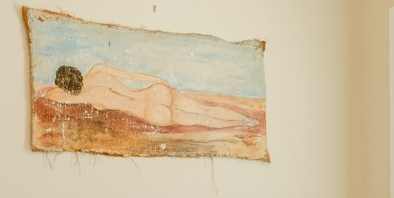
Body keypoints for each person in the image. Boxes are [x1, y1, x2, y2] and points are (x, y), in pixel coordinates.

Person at [42, 62, 256, 131]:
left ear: (67, 87)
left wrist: (66, 88)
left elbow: (53, 95)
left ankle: (242, 124)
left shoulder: (87, 97)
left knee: (202, 119)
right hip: (154, 91)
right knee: (204, 109)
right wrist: (161, 81)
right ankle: (247, 119)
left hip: (150, 112)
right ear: (78, 71)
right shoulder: (98, 70)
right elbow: (133, 76)